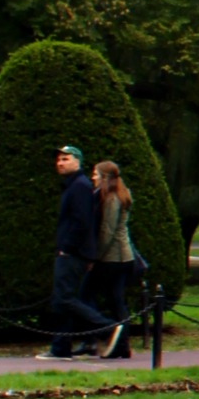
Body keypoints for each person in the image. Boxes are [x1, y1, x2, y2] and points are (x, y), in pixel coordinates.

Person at [41, 142, 116, 361]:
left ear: (77, 162)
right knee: (62, 300)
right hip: (71, 252)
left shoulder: (80, 187)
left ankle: (106, 326)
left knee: (64, 299)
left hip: (72, 253)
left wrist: (68, 248)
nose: (60, 163)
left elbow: (82, 222)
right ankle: (60, 347)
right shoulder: (73, 186)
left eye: (66, 159)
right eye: (59, 159)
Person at [91, 159, 142, 359]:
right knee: (116, 300)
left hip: (115, 257)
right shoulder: (121, 195)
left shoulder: (112, 199)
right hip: (122, 256)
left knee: (112, 300)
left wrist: (96, 256)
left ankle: (117, 340)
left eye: (95, 174)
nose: (92, 177)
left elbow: (108, 231)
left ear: (105, 177)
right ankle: (122, 345)